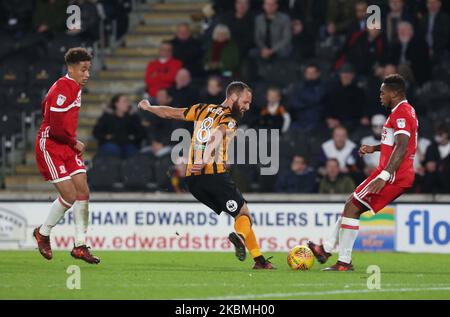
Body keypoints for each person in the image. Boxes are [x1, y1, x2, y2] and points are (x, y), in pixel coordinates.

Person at [138, 81, 275, 269]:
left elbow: (170, 112)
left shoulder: (202, 109)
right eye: (245, 102)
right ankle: (241, 238)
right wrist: (204, 158)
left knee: (240, 212)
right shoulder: (230, 119)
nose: (247, 107)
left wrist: (149, 107)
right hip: (213, 175)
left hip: (193, 180)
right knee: (243, 215)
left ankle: (259, 261)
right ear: (233, 97)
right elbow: (217, 135)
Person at [308, 74, 418, 271]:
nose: (380, 96)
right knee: (352, 202)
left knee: (352, 206)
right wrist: (374, 148)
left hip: (393, 174)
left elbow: (402, 147)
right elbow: (396, 144)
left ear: (394, 93)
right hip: (390, 172)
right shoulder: (403, 111)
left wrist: (385, 175)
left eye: (383, 92)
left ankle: (343, 261)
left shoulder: (401, 113)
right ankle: (325, 249)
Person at [33, 47, 99, 264]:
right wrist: (74, 142)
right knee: (69, 195)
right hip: (51, 145)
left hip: (66, 145)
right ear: (71, 69)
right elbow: (55, 128)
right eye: (83, 69)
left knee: (83, 189)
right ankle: (43, 233)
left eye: (88, 69)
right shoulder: (63, 88)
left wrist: (71, 141)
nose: (87, 74)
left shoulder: (74, 86)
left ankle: (80, 246)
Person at [93, 94, 145, 158]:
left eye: (127, 101)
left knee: (132, 151)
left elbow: (141, 132)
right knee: (112, 149)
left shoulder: (133, 117)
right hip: (111, 143)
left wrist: (133, 138)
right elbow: (96, 132)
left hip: (128, 143)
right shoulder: (107, 117)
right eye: (124, 101)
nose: (127, 104)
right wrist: (106, 137)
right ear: (116, 104)